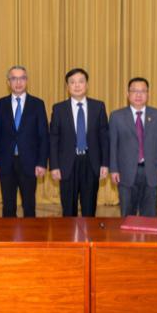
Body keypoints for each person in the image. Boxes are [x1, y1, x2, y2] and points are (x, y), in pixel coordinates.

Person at [49, 68, 109, 217]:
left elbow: (104, 137)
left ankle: (88, 233)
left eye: (81, 81)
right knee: (68, 211)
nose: (77, 85)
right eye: (72, 82)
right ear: (67, 87)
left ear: (87, 85)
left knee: (89, 210)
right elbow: (54, 139)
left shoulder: (98, 107)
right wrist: (54, 166)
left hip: (91, 163)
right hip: (67, 164)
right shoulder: (59, 109)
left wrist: (105, 164)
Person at [0, 65, 49, 218]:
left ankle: (30, 234)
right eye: (14, 79)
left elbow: (44, 136)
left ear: (27, 81)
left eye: (22, 78)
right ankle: (8, 233)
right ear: (8, 82)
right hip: (6, 162)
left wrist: (42, 163)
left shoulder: (37, 104)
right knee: (8, 206)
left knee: (29, 206)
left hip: (30, 163)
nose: (18, 82)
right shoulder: (0, 104)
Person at [109, 77, 157, 217]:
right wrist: (114, 169)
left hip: (151, 172)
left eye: (142, 91)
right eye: (134, 91)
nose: (138, 95)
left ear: (148, 94)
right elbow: (113, 145)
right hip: (125, 173)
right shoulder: (116, 116)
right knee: (127, 215)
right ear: (127, 94)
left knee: (150, 216)